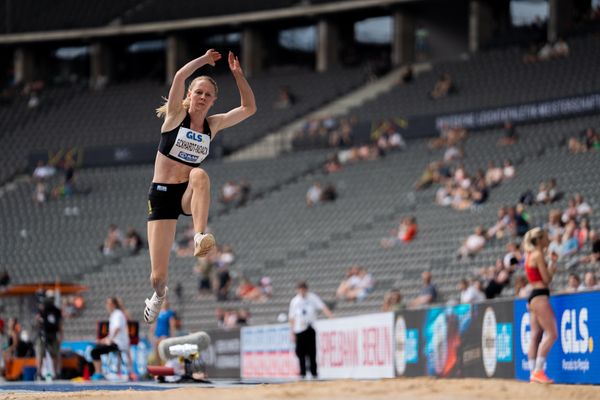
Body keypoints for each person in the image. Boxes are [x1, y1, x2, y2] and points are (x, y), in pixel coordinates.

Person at [144, 49, 256, 323]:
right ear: (189, 96)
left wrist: (239, 76)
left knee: (200, 175)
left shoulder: (212, 126)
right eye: (198, 92)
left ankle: (199, 236)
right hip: (161, 196)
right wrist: (204, 61)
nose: (203, 97)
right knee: (158, 276)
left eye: (208, 95)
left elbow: (249, 108)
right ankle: (158, 295)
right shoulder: (174, 117)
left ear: (214, 100)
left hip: (186, 194)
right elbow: (181, 75)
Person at [522, 228, 558, 384]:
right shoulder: (538, 255)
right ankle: (538, 371)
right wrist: (552, 263)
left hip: (533, 297)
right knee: (552, 334)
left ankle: (532, 372)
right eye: (545, 237)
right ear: (539, 240)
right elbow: (547, 278)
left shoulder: (529, 255)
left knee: (535, 336)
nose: (548, 239)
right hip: (540, 295)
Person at [288, 281, 333, 379]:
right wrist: (292, 332)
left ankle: (314, 373)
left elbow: (322, 307)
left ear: (306, 289)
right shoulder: (294, 301)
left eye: (303, 289)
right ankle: (302, 373)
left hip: (310, 328)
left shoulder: (312, 297)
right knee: (301, 353)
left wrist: (330, 316)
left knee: (312, 352)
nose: (302, 291)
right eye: (300, 289)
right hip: (299, 330)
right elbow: (291, 318)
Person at [90, 298, 130, 380]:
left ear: (113, 305)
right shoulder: (114, 315)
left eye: (108, 303)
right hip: (116, 341)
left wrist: (109, 340)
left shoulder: (117, 314)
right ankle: (99, 372)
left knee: (94, 351)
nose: (107, 305)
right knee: (96, 347)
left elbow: (117, 329)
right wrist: (103, 340)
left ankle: (98, 372)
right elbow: (112, 333)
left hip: (118, 343)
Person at [35, 291, 63, 380]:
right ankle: (39, 373)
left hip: (53, 334)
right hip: (43, 334)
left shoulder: (56, 310)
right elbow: (38, 320)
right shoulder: (42, 309)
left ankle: (56, 373)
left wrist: (61, 335)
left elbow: (59, 324)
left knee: (55, 354)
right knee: (40, 353)